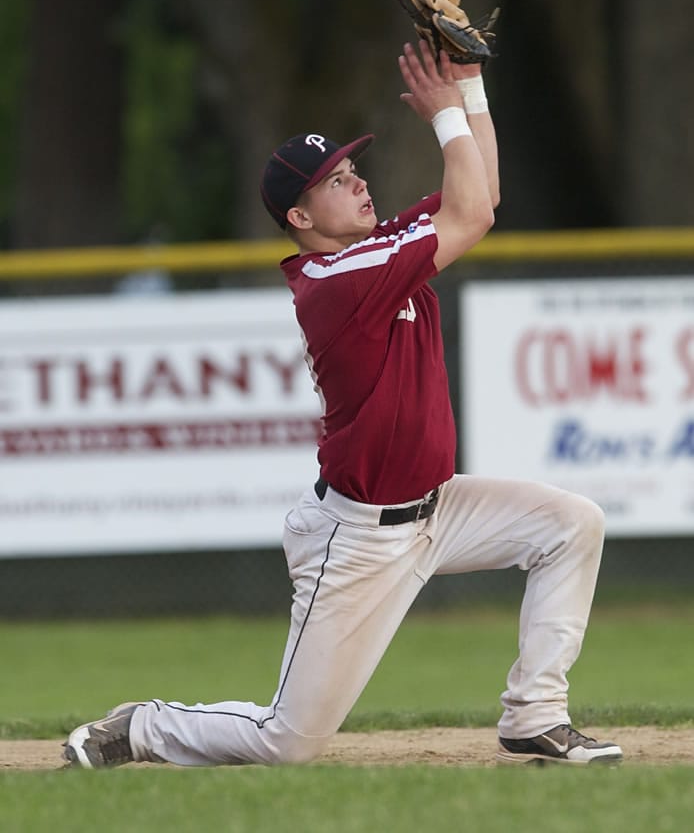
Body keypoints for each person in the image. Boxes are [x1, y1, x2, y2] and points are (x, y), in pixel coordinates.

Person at [63, 40, 622, 769]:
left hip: (439, 508)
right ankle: (145, 727)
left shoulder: (377, 248)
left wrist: (472, 88)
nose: (358, 185)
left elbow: (479, 199)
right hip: (358, 537)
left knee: (571, 525)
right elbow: (472, 219)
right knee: (289, 742)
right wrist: (445, 115)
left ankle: (535, 716)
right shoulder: (341, 281)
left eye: (354, 171)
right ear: (300, 215)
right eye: (335, 181)